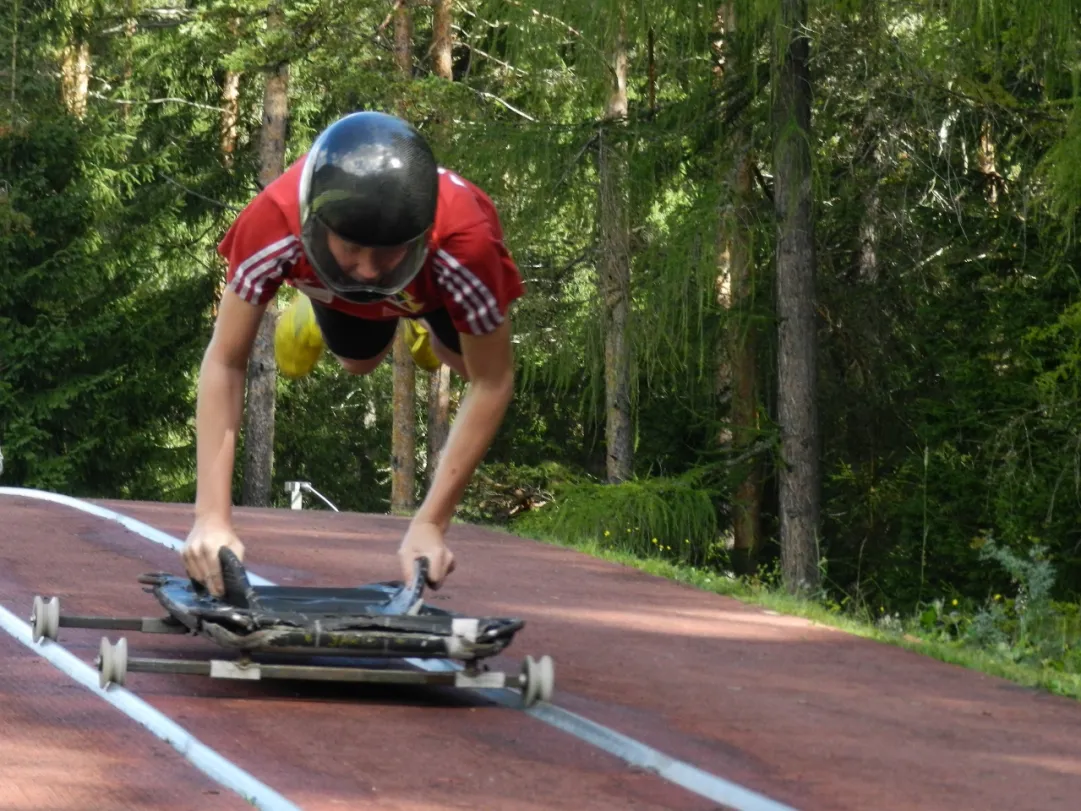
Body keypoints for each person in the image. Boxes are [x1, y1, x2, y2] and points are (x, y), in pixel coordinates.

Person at [182, 111, 523, 598]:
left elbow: (493, 381)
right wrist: (210, 517)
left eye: (386, 253)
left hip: (431, 291)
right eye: (351, 249)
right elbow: (225, 360)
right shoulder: (273, 222)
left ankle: (418, 322)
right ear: (316, 224)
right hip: (331, 286)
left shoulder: (466, 246)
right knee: (358, 361)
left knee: (466, 361)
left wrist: (431, 523)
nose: (366, 271)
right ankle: (313, 304)